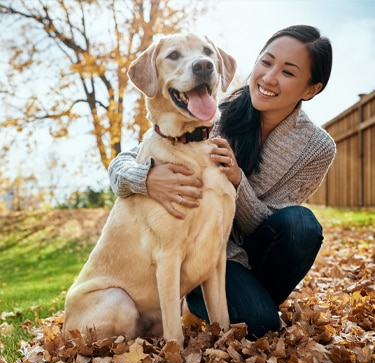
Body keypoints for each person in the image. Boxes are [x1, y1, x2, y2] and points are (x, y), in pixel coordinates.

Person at [108, 25, 336, 340]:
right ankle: (245, 307)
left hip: (259, 249)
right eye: (266, 62)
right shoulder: (209, 113)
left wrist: (236, 180)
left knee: (302, 225)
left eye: (288, 72)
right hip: (206, 259)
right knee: (260, 325)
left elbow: (273, 224)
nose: (269, 78)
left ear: (310, 89)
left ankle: (256, 302)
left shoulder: (316, 148)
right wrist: (146, 177)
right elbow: (122, 162)